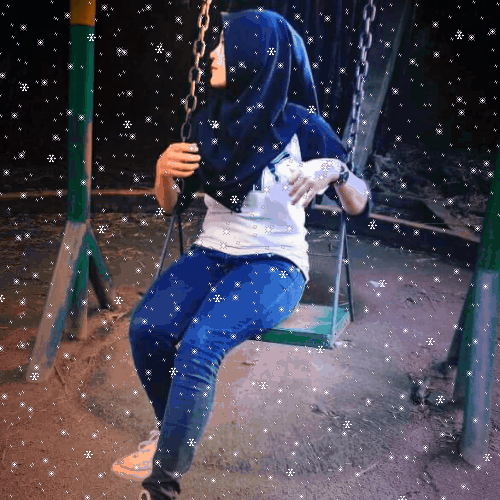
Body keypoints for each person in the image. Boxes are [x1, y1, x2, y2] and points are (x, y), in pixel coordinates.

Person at [113, 8, 372, 500]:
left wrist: (336, 172)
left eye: (224, 45)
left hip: (275, 264)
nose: (212, 54)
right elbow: (171, 206)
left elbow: (360, 205)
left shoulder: (302, 126)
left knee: (201, 342)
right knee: (148, 328)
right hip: (212, 252)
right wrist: (162, 173)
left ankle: (162, 485)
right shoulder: (209, 121)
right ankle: (170, 431)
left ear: (255, 54)